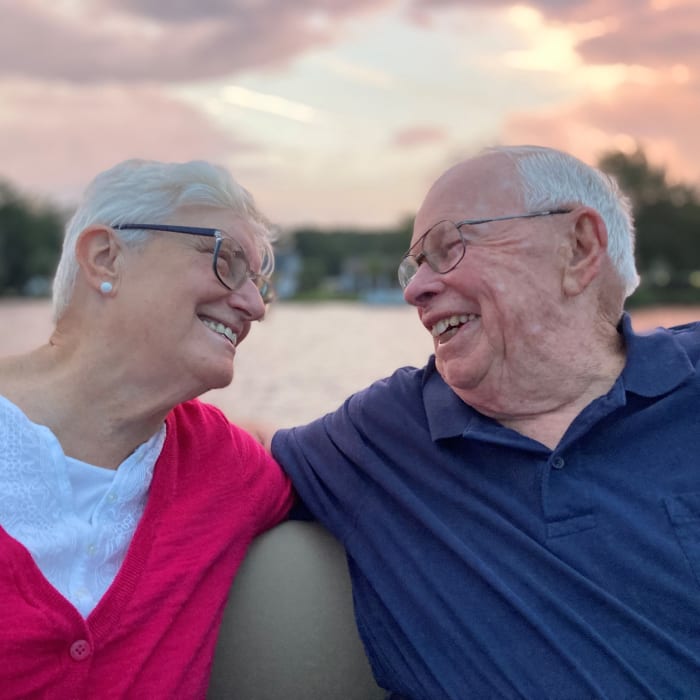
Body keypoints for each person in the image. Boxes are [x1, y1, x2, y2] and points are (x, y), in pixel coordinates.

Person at [271, 145, 700, 699]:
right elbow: (207, 458)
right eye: (415, 264)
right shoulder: (379, 435)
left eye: (449, 248)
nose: (414, 289)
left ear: (579, 248)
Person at [0, 159, 294, 698]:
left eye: (258, 282)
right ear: (105, 257)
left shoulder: (223, 463)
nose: (253, 305)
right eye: (225, 260)